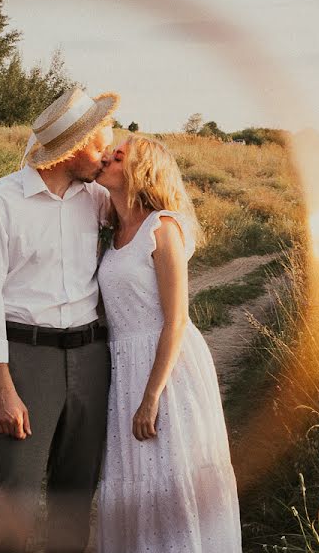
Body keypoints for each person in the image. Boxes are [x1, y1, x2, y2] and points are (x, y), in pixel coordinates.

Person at [0, 87, 118, 552]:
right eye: (99, 145)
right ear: (70, 150)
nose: (107, 153)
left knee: (75, 497)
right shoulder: (0, 202)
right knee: (16, 497)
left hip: (91, 357)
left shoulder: (96, 198)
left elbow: (157, 218)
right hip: (27, 360)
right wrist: (4, 389)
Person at [94, 135, 242, 551]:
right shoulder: (111, 228)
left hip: (167, 372)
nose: (106, 157)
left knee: (171, 478)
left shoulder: (163, 227)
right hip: (124, 367)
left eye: (118, 156)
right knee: (135, 480)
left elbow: (176, 319)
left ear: (140, 169)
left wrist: (151, 396)